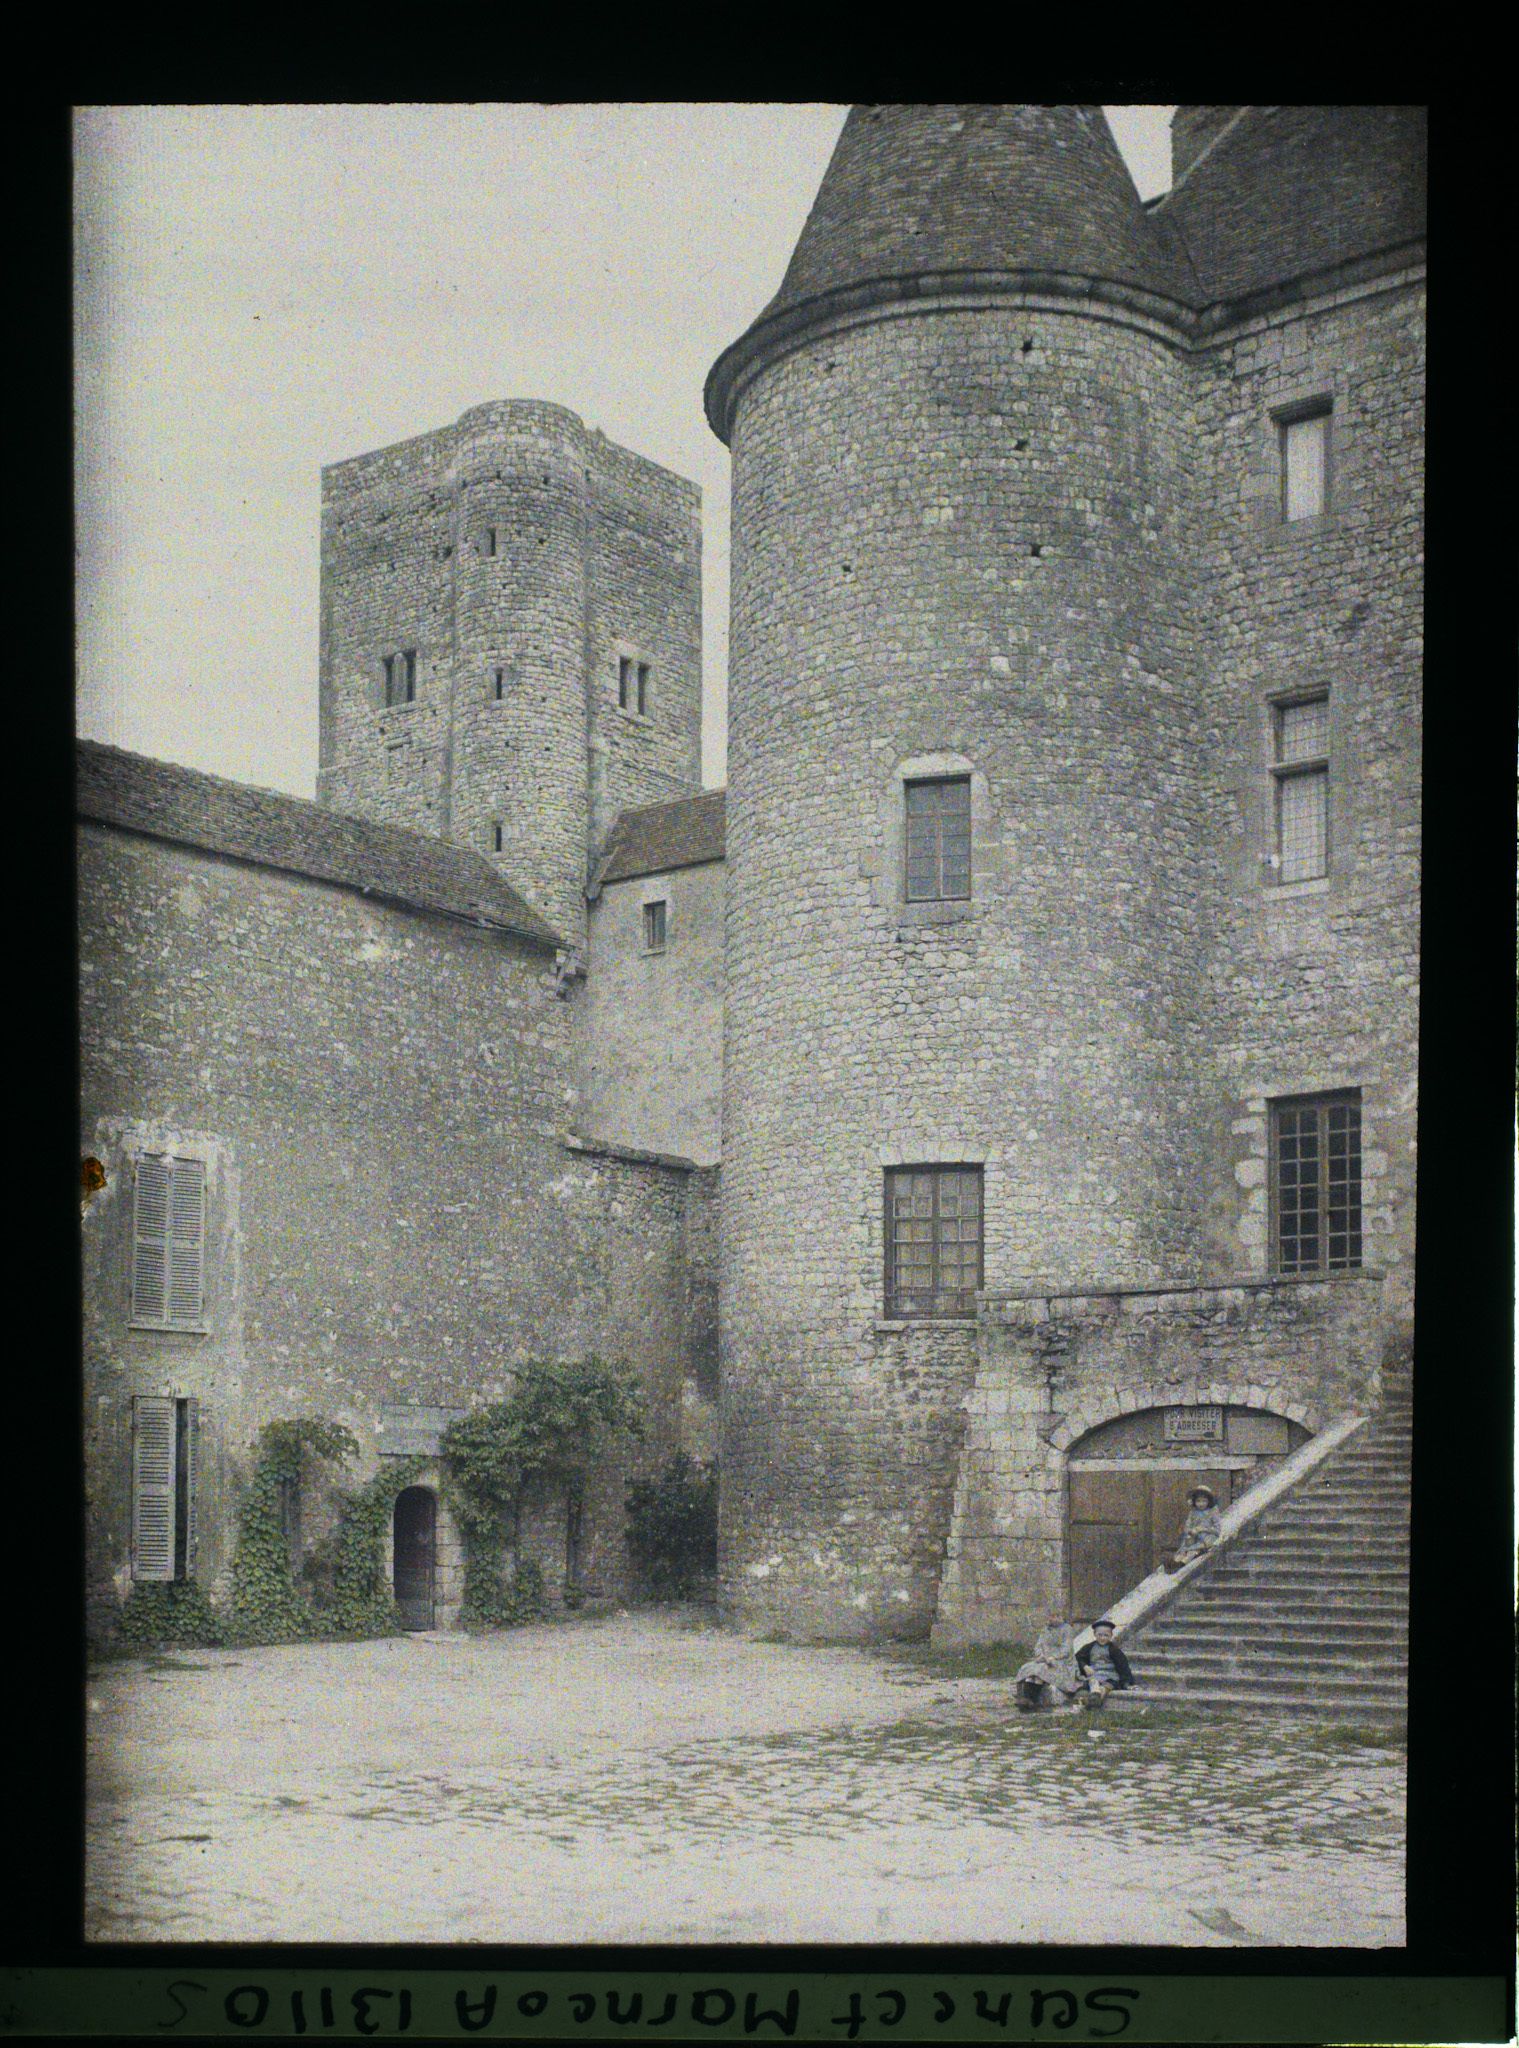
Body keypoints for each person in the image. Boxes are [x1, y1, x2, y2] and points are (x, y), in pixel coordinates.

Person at [1013, 1619, 1081, 1712]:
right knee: (1028, 1668)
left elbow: (1066, 1650)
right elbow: (1038, 1646)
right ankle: (1026, 1698)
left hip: (1062, 1661)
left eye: (1058, 1616)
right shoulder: (1045, 1631)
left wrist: (1053, 1657)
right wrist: (1041, 1656)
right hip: (1045, 1659)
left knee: (1041, 1670)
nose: (1055, 1619)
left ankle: (1032, 1700)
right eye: (1052, 1616)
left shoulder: (1067, 1632)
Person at [1074, 1617, 1135, 1708]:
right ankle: (1094, 1695)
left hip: (1110, 1676)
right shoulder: (1089, 1647)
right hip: (1094, 1674)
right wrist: (1084, 1666)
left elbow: (1123, 1666)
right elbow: (1078, 1658)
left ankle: (1094, 1700)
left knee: (1106, 1686)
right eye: (1100, 1635)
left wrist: (1127, 1684)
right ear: (1095, 1634)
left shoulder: (1114, 1650)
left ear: (1111, 1636)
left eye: (1106, 1635)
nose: (1102, 1638)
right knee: (1091, 1683)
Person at [1163, 1483, 1223, 1572]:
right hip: (1193, 1537)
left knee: (1193, 1551)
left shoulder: (1212, 1512)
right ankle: (1173, 1562)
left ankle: (1181, 1564)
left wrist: (1202, 1529)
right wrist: (1189, 1531)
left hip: (1207, 1537)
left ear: (1208, 1501)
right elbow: (1188, 1525)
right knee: (1183, 1550)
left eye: (1204, 1501)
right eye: (1198, 1501)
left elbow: (1217, 1530)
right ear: (1194, 1502)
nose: (1201, 1504)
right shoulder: (1193, 1512)